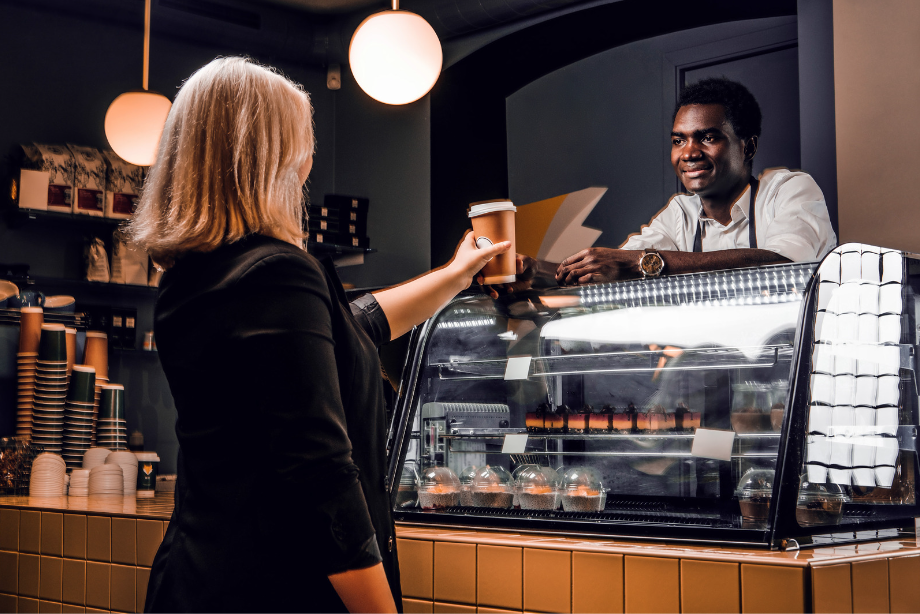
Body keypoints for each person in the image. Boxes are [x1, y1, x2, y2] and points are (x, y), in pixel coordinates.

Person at [129, 57, 509, 613]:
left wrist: (454, 276)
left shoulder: (192, 276)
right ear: (266, 155)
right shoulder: (278, 271)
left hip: (199, 577)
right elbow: (320, 476)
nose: (307, 159)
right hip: (276, 587)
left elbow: (355, 325)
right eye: (300, 140)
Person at [554, 77, 837, 285]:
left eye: (708, 137)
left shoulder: (789, 190)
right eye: (679, 140)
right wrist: (538, 271)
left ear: (748, 147)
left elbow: (784, 263)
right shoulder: (680, 212)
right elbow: (613, 265)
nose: (688, 153)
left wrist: (646, 263)